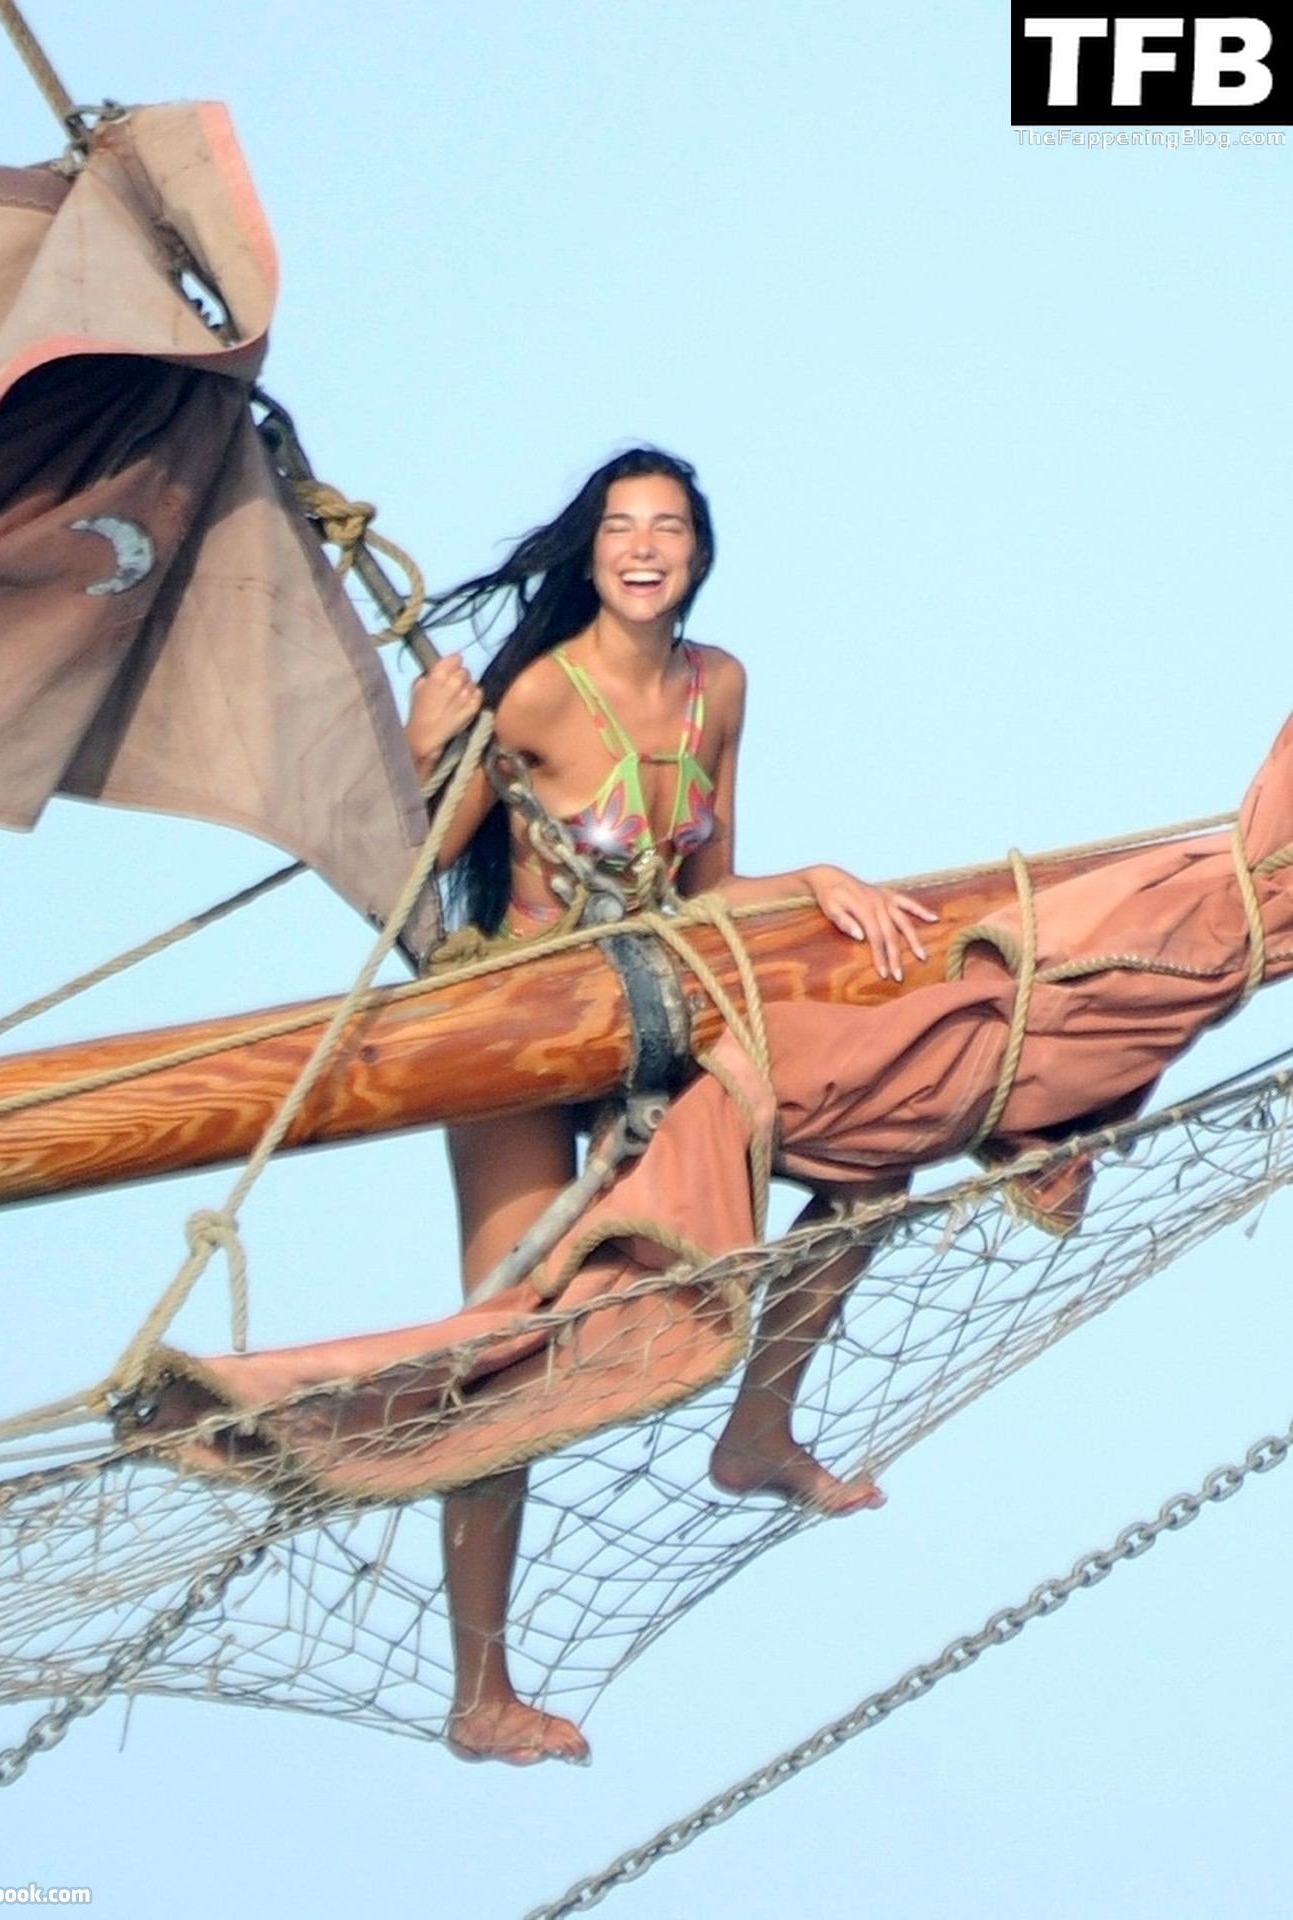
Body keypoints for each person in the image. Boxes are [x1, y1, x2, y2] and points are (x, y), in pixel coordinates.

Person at [404, 448, 935, 1766]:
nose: (643, 547)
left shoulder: (718, 688)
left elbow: (706, 894)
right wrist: (424, 752)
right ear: (590, 552)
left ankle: (757, 1429)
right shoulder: (536, 693)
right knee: (501, 1352)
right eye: (621, 527)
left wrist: (816, 881)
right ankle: (480, 1694)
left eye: (669, 528)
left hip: (654, 1012)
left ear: (697, 553)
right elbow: (410, 883)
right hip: (523, 1032)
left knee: (872, 1162)